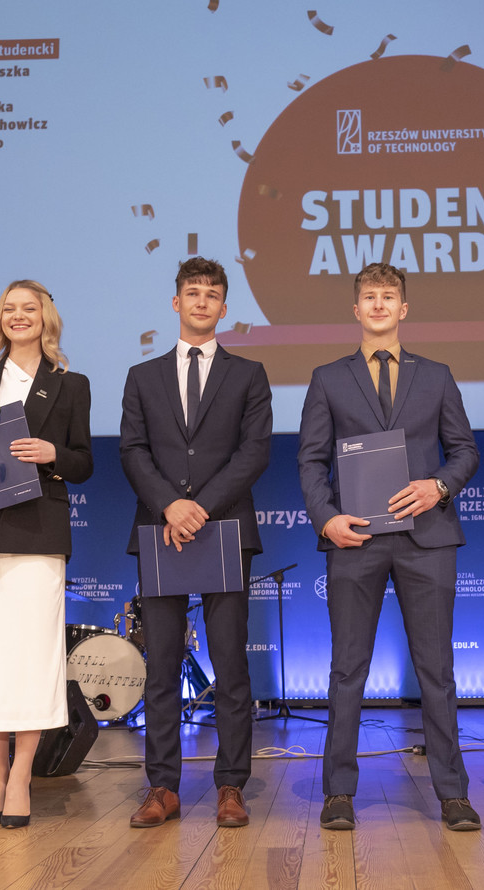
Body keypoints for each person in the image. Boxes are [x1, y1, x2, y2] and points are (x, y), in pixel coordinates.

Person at [297, 263, 481, 833]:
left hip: (428, 538)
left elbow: (465, 451)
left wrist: (439, 486)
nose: (379, 304)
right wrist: (327, 519)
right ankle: (339, 793)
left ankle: (453, 793)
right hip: (356, 539)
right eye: (369, 296)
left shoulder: (438, 375)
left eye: (389, 296)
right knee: (347, 669)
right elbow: (310, 461)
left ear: (404, 309)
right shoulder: (327, 378)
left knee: (437, 670)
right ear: (356, 309)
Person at [119, 258, 272, 829]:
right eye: (192, 292)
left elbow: (254, 451)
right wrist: (170, 505)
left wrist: (199, 507)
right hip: (161, 531)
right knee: (160, 666)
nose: (202, 301)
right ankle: (162, 787)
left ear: (224, 308)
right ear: (176, 303)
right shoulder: (142, 376)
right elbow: (133, 450)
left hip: (224, 529)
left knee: (230, 665)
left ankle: (231, 786)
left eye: (212, 294)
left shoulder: (249, 374)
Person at [0, 280, 92, 829]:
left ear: (46, 317)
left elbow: (84, 463)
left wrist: (54, 453)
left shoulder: (70, 384)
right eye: (9, 308)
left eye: (29, 308)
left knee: (32, 657)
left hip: (40, 532)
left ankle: (22, 776)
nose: (18, 316)